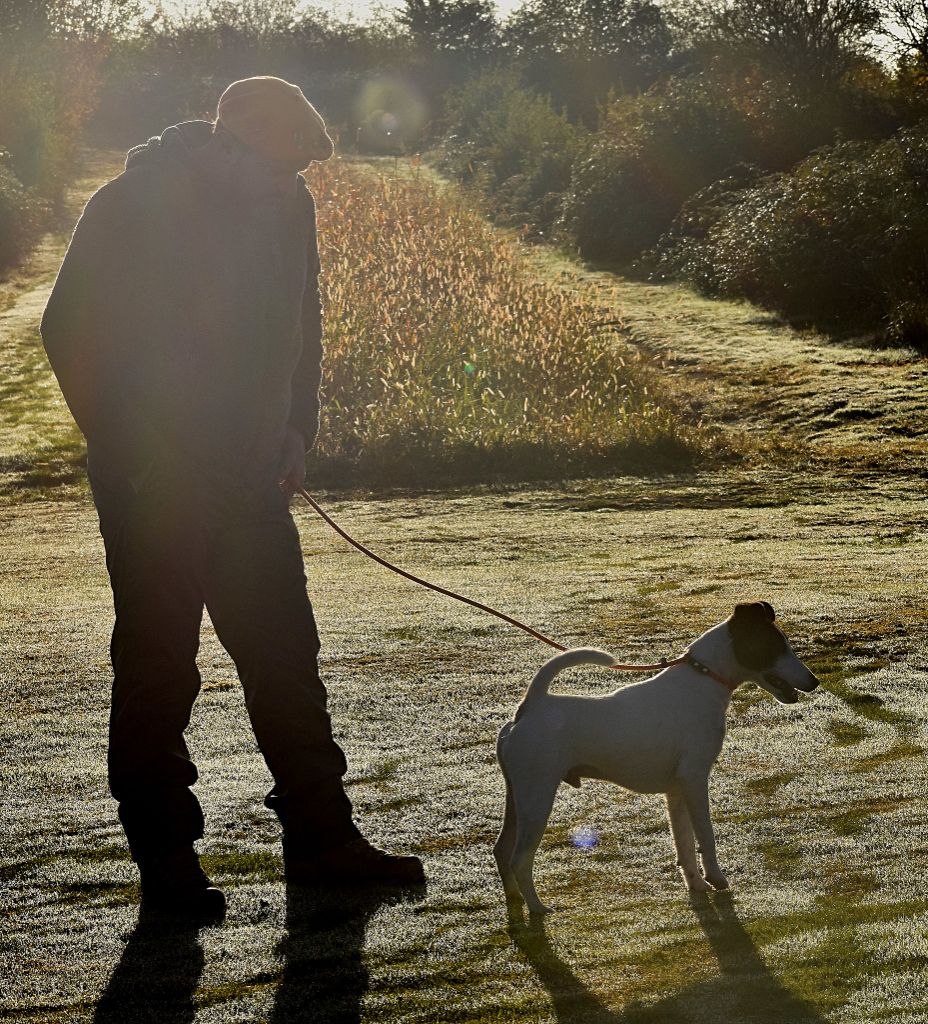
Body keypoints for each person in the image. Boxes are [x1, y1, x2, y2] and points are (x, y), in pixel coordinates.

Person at [40, 76, 424, 921]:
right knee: (159, 671)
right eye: (282, 165)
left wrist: (297, 429)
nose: (294, 184)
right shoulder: (132, 203)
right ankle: (168, 867)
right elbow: (66, 330)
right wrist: (137, 456)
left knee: (288, 659)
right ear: (232, 140)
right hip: (155, 488)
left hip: (253, 477)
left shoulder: (289, 206)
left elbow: (304, 327)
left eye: (303, 171)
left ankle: (324, 840)